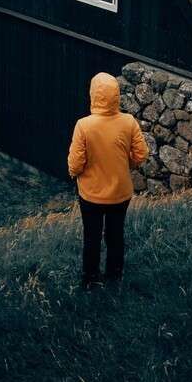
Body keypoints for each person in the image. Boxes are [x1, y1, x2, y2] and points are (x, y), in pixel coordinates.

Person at [67, 71, 149, 288]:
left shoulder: (84, 125)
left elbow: (75, 164)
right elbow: (141, 155)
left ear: (93, 95)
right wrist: (125, 164)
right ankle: (115, 275)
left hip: (91, 194)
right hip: (121, 193)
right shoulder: (128, 122)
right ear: (116, 95)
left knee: (92, 237)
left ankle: (90, 279)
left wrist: (75, 174)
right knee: (115, 235)